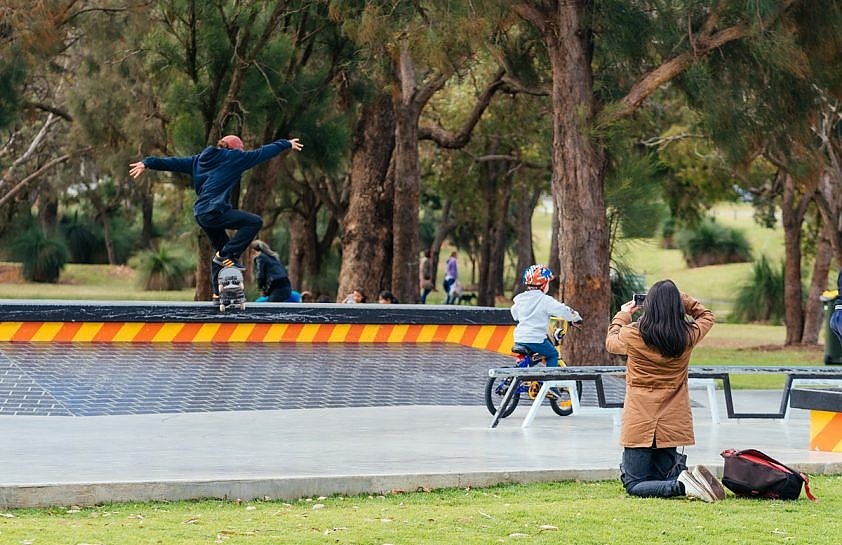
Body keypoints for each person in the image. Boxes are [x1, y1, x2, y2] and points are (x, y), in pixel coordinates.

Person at [129, 134, 303, 298]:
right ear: (236, 149)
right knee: (254, 222)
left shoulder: (197, 160)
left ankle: (217, 292)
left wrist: (147, 163)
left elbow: (172, 162)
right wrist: (286, 144)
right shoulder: (235, 157)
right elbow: (262, 153)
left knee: (221, 249)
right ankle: (227, 255)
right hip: (215, 211)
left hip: (201, 214)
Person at [605, 279, 725, 502]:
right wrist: (681, 300)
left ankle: (683, 485)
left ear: (649, 306)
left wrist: (623, 315)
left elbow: (611, 341)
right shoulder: (687, 335)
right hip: (673, 416)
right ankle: (684, 481)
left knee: (633, 483)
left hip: (640, 416)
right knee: (661, 476)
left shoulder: (633, 335)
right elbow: (707, 316)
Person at [510, 264, 581, 369]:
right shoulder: (545, 300)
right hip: (536, 339)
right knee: (552, 354)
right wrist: (576, 317)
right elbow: (563, 310)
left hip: (519, 338)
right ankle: (550, 382)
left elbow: (514, 314)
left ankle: (523, 373)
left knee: (534, 357)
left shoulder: (521, 299)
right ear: (544, 285)